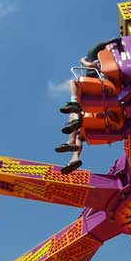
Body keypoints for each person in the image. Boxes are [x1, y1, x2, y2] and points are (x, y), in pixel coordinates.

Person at [56, 41, 111, 174]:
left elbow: (90, 64)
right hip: (97, 114)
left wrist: (82, 60)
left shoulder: (104, 60)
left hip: (101, 95)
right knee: (79, 135)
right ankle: (73, 156)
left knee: (72, 82)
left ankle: (74, 102)